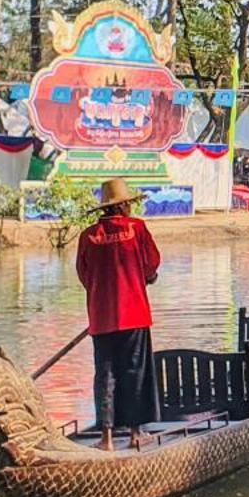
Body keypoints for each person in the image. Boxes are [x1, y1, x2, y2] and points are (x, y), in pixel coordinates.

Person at [75, 178, 162, 439]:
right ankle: (136, 433)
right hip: (134, 314)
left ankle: (107, 438)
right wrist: (146, 277)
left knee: (106, 375)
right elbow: (152, 264)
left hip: (101, 318)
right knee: (134, 371)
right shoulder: (137, 229)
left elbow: (84, 275)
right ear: (123, 206)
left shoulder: (88, 236)